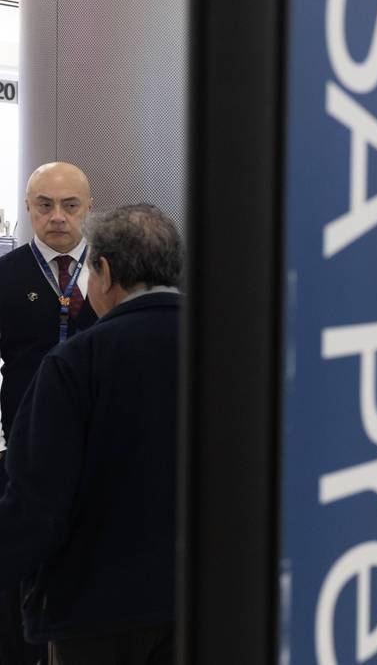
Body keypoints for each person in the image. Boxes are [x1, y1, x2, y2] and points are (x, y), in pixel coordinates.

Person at [0, 204, 181, 664]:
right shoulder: (231, 348)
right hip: (204, 597)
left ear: (103, 271)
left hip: (97, 609)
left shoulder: (77, 362)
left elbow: (38, 502)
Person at [0, 161, 99, 665]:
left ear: (89, 209)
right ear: (28, 210)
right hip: (24, 443)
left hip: (100, 444)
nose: (57, 217)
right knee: (21, 560)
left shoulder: (111, 273)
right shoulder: (6, 275)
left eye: (69, 205)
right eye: (44, 205)